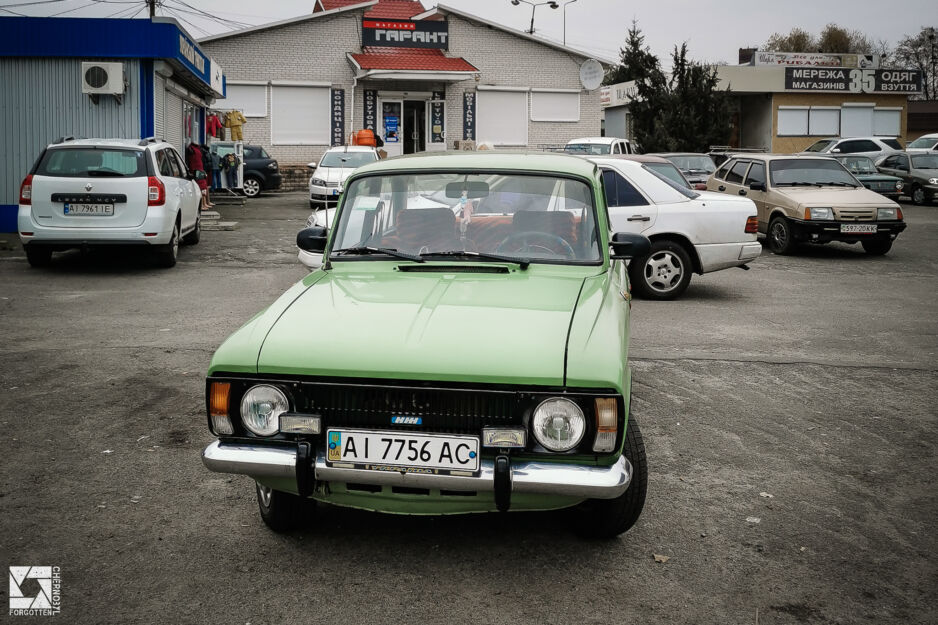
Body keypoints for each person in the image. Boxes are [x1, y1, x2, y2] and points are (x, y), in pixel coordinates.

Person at [185, 143, 213, 208]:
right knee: (202, 187)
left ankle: (204, 203)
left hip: (201, 169)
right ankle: (202, 204)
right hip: (197, 169)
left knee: (204, 186)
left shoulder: (198, 150)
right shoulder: (194, 149)